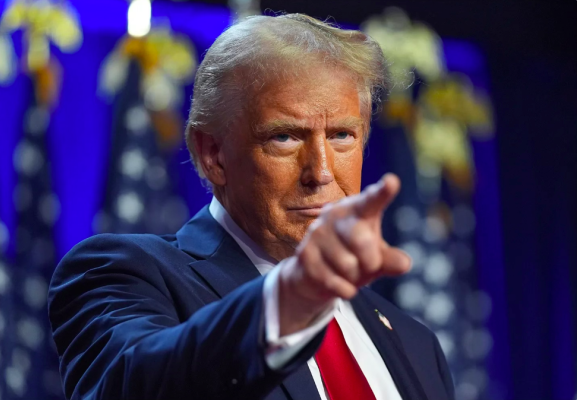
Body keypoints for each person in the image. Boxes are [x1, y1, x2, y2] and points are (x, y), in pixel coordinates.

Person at [48, 13, 454, 400]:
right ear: (213, 154)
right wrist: (291, 300)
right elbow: (135, 386)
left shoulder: (416, 344)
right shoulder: (120, 273)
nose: (322, 172)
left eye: (342, 135)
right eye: (284, 137)